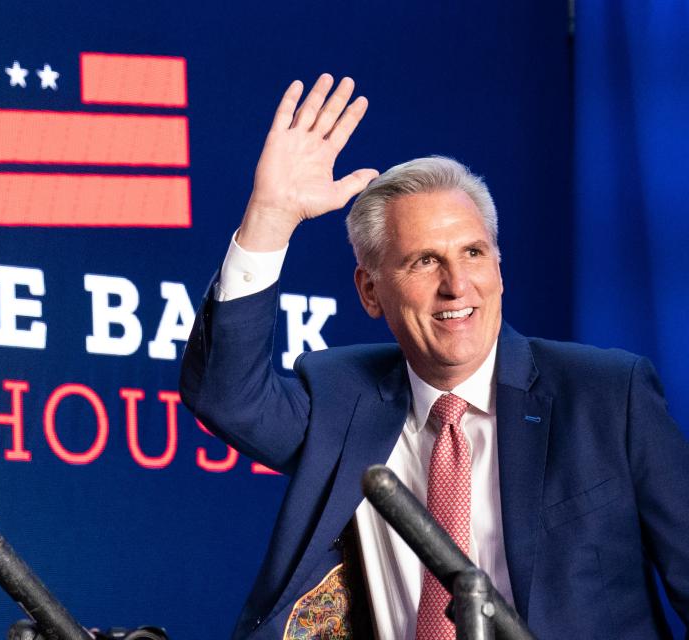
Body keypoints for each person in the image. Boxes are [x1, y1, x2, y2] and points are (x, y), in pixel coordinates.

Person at [179, 74, 689, 639]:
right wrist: (270, 217)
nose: (456, 285)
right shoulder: (341, 399)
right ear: (370, 292)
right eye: (423, 261)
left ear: (499, 268)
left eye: (472, 253)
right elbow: (226, 397)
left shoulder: (608, 395)